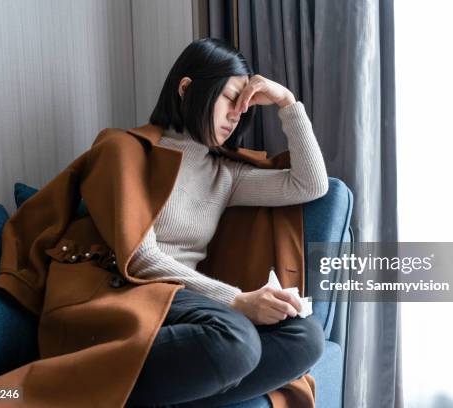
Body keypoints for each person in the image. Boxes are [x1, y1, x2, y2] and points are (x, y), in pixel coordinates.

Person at [125, 37, 329, 407]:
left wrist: (286, 102)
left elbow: (310, 184)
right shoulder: (128, 152)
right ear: (187, 88)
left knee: (306, 336)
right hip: (136, 298)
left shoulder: (225, 175)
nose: (237, 114)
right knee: (236, 338)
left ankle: (168, 395)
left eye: (243, 105)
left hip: (190, 307)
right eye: (229, 98)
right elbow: (139, 257)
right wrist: (236, 301)